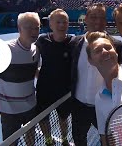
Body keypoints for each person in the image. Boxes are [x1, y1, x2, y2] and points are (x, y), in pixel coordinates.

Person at [70, 3, 122, 146]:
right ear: (85, 19)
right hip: (78, 106)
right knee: (79, 140)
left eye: (102, 18)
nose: (98, 22)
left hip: (106, 108)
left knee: (110, 142)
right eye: (93, 17)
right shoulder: (74, 43)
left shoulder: (117, 46)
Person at [0, 12, 41, 145]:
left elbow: (36, 72)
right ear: (19, 29)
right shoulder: (2, 50)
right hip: (9, 112)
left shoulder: (36, 50)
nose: (34, 31)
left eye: (37, 27)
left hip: (30, 107)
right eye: (29, 27)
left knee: (31, 142)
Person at [35, 9, 73, 145]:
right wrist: (40, 75)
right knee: (43, 118)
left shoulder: (73, 42)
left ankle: (63, 139)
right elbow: (33, 61)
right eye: (58, 22)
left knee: (63, 118)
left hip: (65, 92)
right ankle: (48, 140)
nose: (62, 25)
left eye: (65, 22)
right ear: (50, 24)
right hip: (44, 90)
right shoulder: (42, 40)